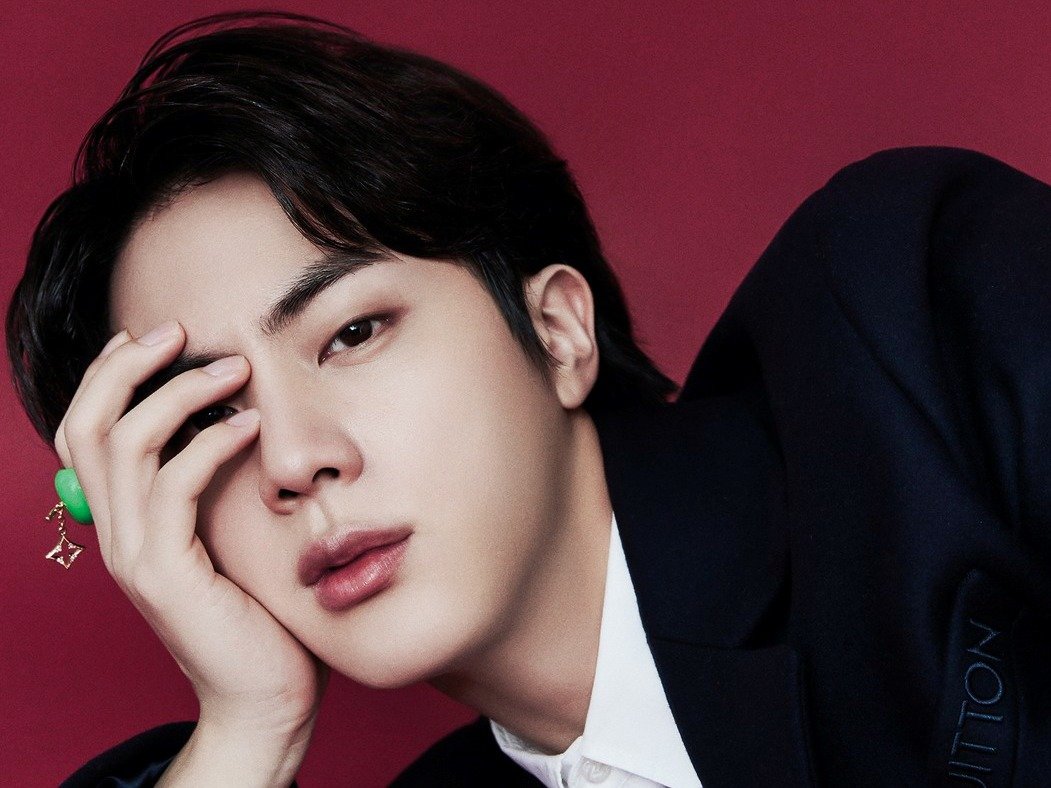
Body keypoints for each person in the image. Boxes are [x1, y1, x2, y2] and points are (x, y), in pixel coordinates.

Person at [7, 10, 1051, 788]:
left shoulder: (908, 320)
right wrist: (246, 731)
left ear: (557, 330)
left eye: (354, 333)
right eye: (205, 418)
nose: (292, 459)